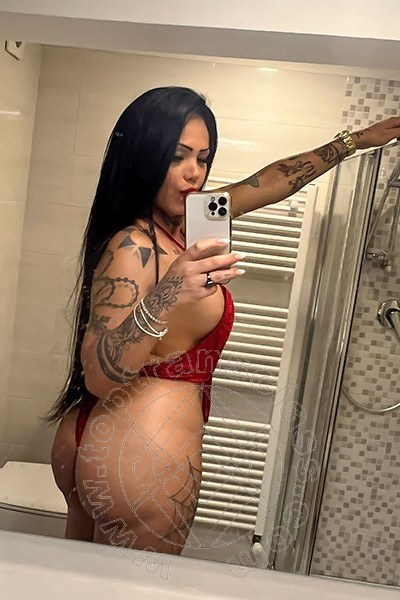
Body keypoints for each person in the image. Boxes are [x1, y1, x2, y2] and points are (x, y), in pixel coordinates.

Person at [49, 86, 400, 555]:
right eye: (177, 157)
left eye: (202, 157)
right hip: (137, 449)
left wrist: (354, 141)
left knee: (75, 580)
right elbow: (97, 374)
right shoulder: (135, 245)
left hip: (106, 438)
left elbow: (269, 181)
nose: (194, 172)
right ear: (143, 156)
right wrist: (169, 292)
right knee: (132, 588)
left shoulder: (192, 217)